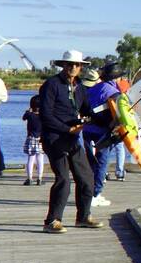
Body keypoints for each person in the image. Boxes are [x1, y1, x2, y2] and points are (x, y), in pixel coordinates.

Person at [39, 50, 103, 232]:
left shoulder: (81, 87)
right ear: (63, 66)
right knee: (63, 180)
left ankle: (83, 217)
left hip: (72, 139)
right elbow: (45, 115)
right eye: (69, 64)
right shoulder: (51, 85)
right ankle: (52, 221)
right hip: (54, 138)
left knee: (87, 177)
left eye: (76, 65)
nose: (73, 67)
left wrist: (112, 121)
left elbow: (88, 111)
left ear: (81, 67)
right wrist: (67, 128)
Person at [81, 65, 120, 207]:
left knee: (90, 162)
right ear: (116, 78)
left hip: (87, 129)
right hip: (102, 131)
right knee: (102, 162)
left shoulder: (91, 89)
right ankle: (95, 194)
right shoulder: (112, 91)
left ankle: (88, 192)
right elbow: (118, 113)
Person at [22, 95, 46, 186]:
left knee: (30, 158)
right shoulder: (43, 116)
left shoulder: (29, 115)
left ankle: (29, 178)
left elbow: (23, 118)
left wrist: (28, 110)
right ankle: (39, 178)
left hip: (31, 138)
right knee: (40, 158)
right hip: (41, 139)